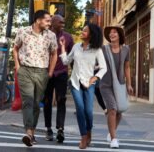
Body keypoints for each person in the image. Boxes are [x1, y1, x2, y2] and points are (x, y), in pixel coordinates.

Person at [13, 10, 58, 147]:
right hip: (25, 70)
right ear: (38, 20)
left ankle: (31, 132)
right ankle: (28, 132)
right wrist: (17, 67)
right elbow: (15, 48)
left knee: (36, 103)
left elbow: (54, 54)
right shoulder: (23, 31)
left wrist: (50, 72)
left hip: (41, 72)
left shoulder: (51, 35)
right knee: (28, 101)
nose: (50, 23)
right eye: (47, 20)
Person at [59, 23, 107, 149]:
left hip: (89, 84)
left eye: (85, 31)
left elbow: (103, 68)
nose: (82, 32)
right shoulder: (76, 47)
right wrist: (63, 47)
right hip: (75, 83)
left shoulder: (97, 50)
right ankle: (84, 136)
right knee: (80, 109)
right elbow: (65, 61)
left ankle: (89, 130)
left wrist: (95, 78)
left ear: (91, 35)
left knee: (88, 112)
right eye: (83, 30)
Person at [100, 25, 133, 149]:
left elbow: (127, 67)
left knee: (119, 112)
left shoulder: (126, 50)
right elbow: (97, 63)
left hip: (119, 84)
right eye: (110, 33)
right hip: (105, 84)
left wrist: (129, 84)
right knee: (112, 109)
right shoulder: (104, 49)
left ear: (120, 35)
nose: (112, 34)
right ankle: (114, 139)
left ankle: (111, 131)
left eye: (114, 32)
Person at [43, 15, 74, 143]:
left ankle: (60, 129)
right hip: (46, 73)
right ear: (53, 22)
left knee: (61, 100)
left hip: (61, 73)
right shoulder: (45, 35)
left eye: (63, 22)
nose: (63, 23)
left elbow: (72, 56)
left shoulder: (68, 37)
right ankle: (48, 129)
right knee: (47, 100)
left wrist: (75, 75)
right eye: (60, 22)